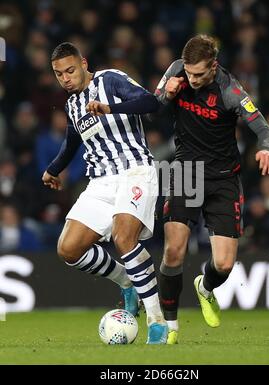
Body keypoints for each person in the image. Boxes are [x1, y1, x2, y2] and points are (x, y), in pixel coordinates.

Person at [150, 34, 269, 344]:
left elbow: (262, 127)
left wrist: (267, 148)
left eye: (198, 74)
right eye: (188, 73)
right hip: (185, 172)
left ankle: (205, 288)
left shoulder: (231, 91)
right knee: (173, 250)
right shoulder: (177, 71)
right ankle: (171, 327)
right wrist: (165, 96)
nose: (191, 79)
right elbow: (151, 109)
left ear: (213, 67)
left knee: (223, 264)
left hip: (223, 179)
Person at [42, 42, 167, 344]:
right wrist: (54, 168)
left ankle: (156, 320)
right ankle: (127, 282)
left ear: (83, 63)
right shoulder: (73, 104)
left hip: (135, 170)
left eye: (70, 70)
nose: (66, 78)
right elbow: (72, 142)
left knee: (125, 239)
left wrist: (110, 108)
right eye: (59, 74)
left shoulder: (110, 79)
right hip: (99, 182)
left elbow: (151, 103)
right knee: (68, 249)